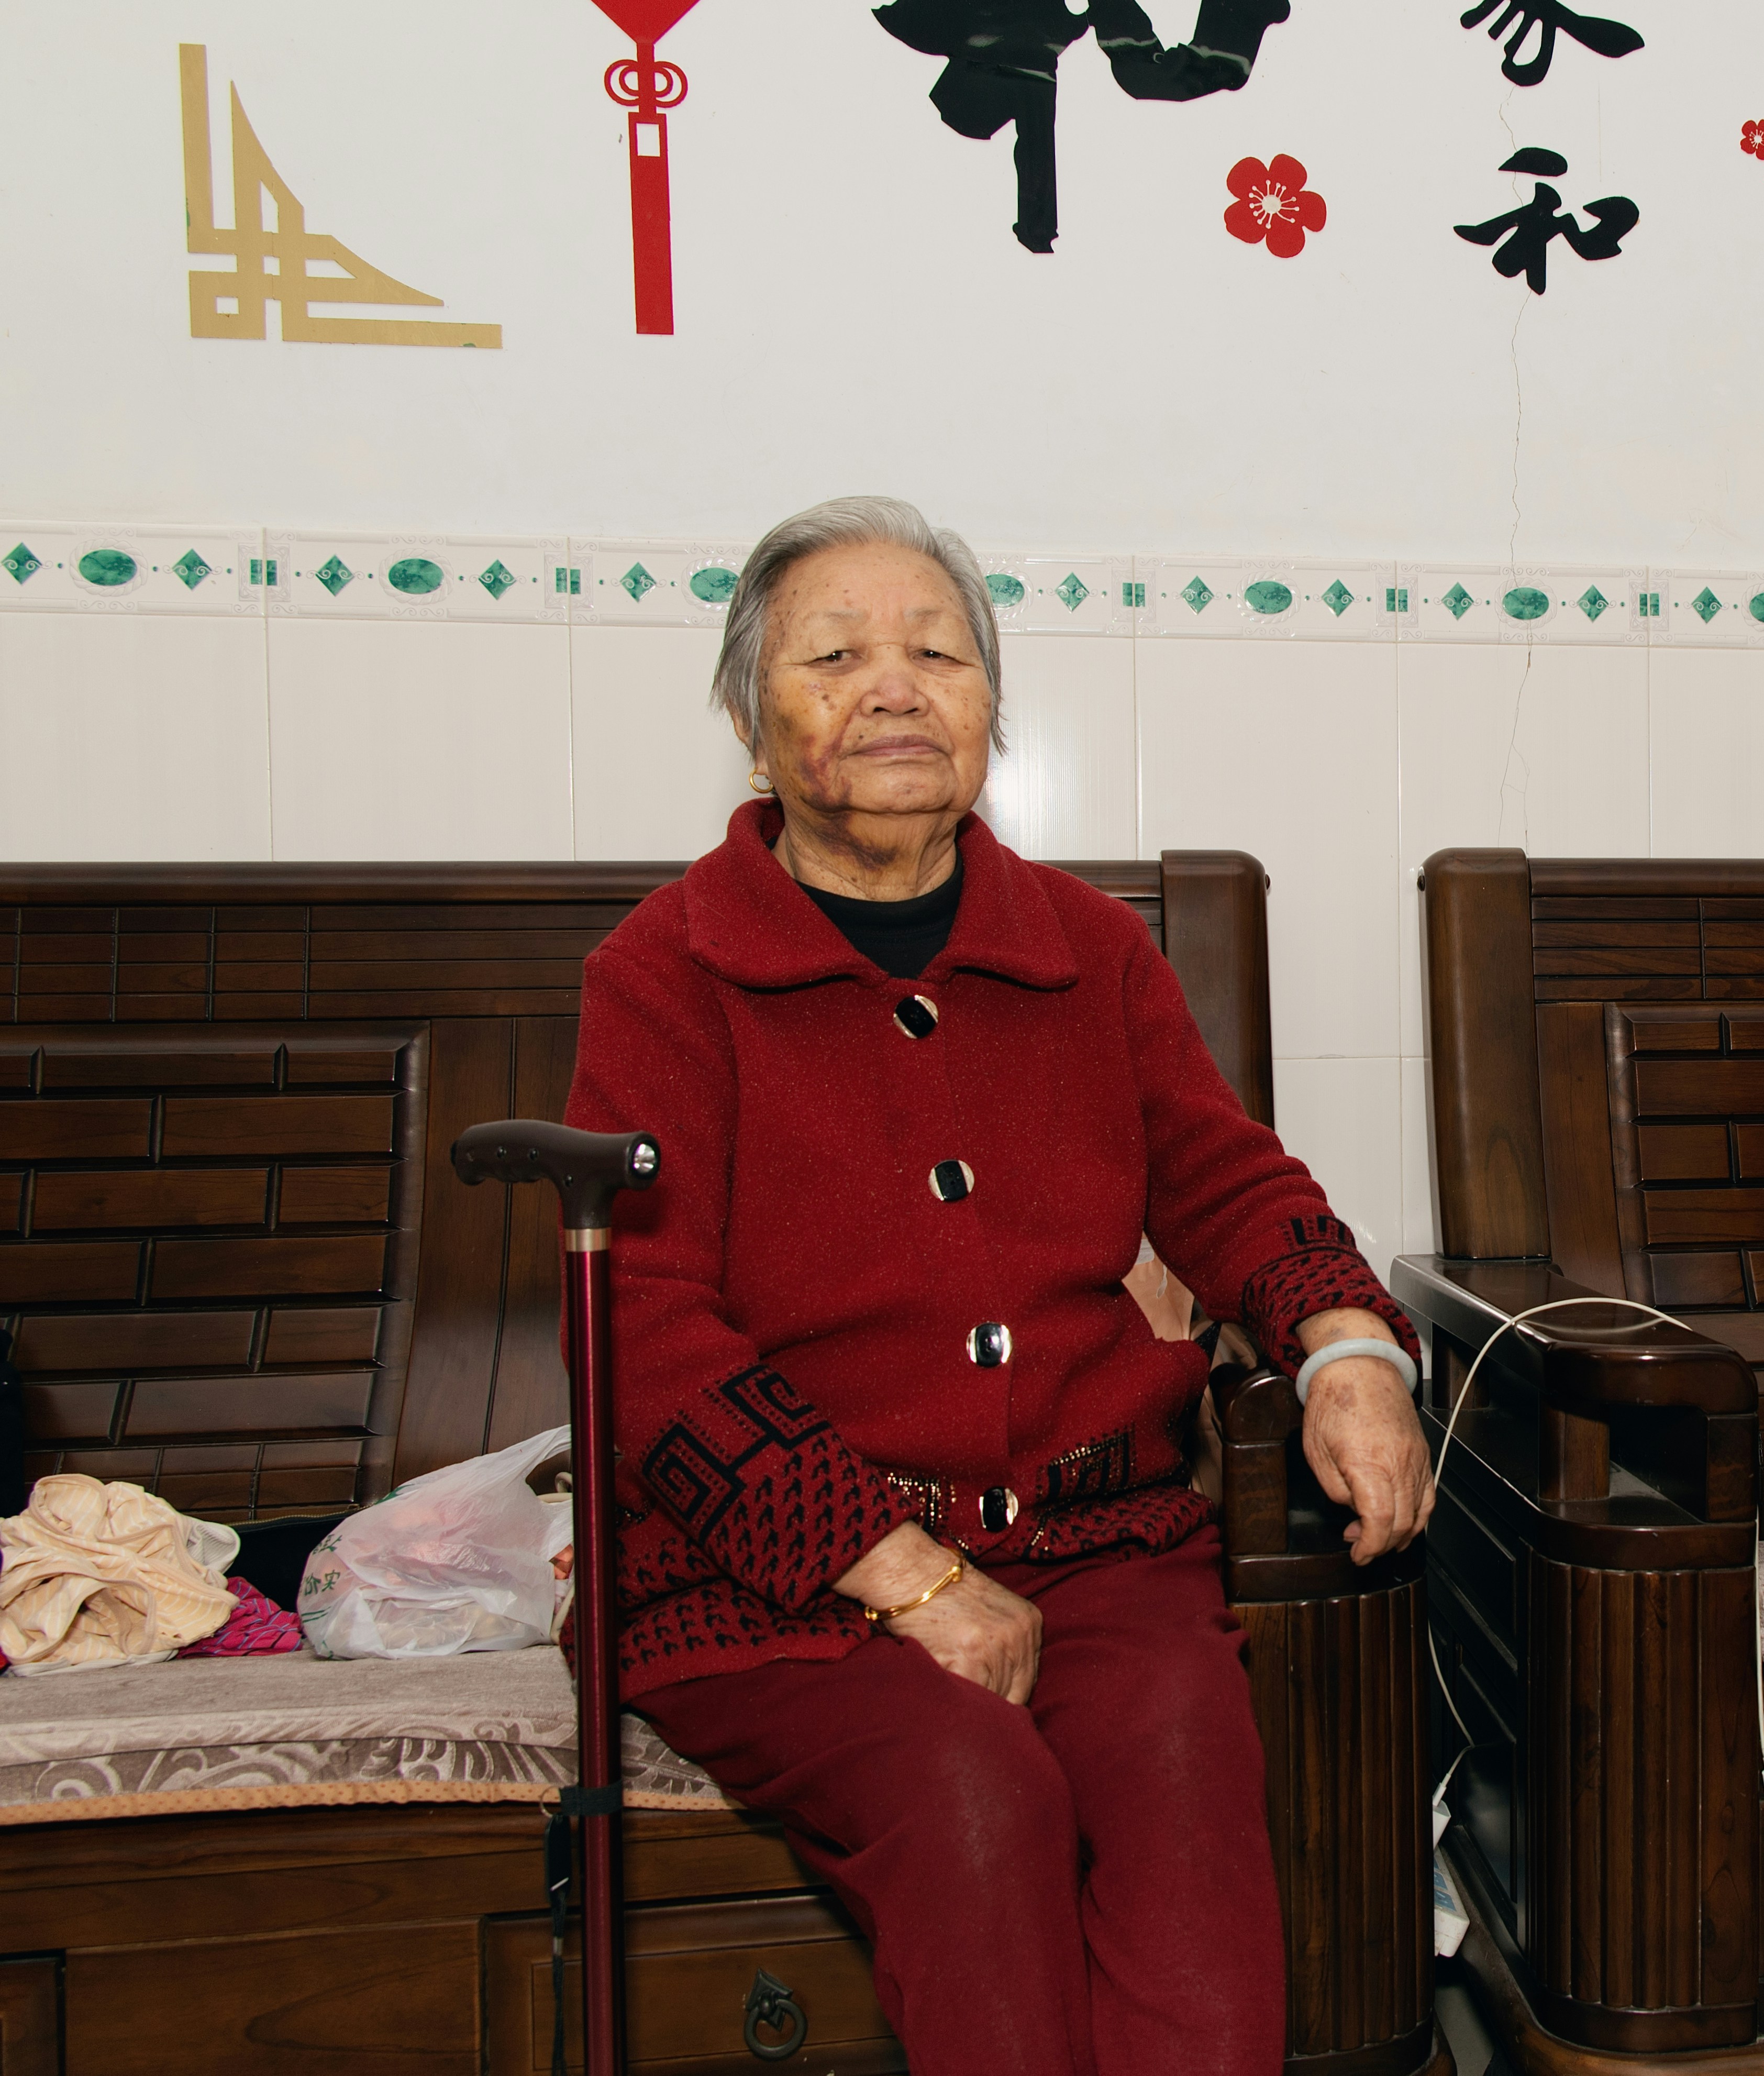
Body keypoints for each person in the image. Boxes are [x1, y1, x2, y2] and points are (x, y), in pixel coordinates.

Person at [564, 495, 1434, 2076]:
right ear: (753, 727)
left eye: (939, 654)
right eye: (836, 657)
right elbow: (643, 1331)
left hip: (1097, 1546)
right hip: (776, 1591)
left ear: (991, 709)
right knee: (974, 1791)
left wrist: (1349, 1345)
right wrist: (897, 1572)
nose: (896, 687)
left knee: (1181, 1765)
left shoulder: (1090, 948)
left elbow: (1229, 1180)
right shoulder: (666, 972)